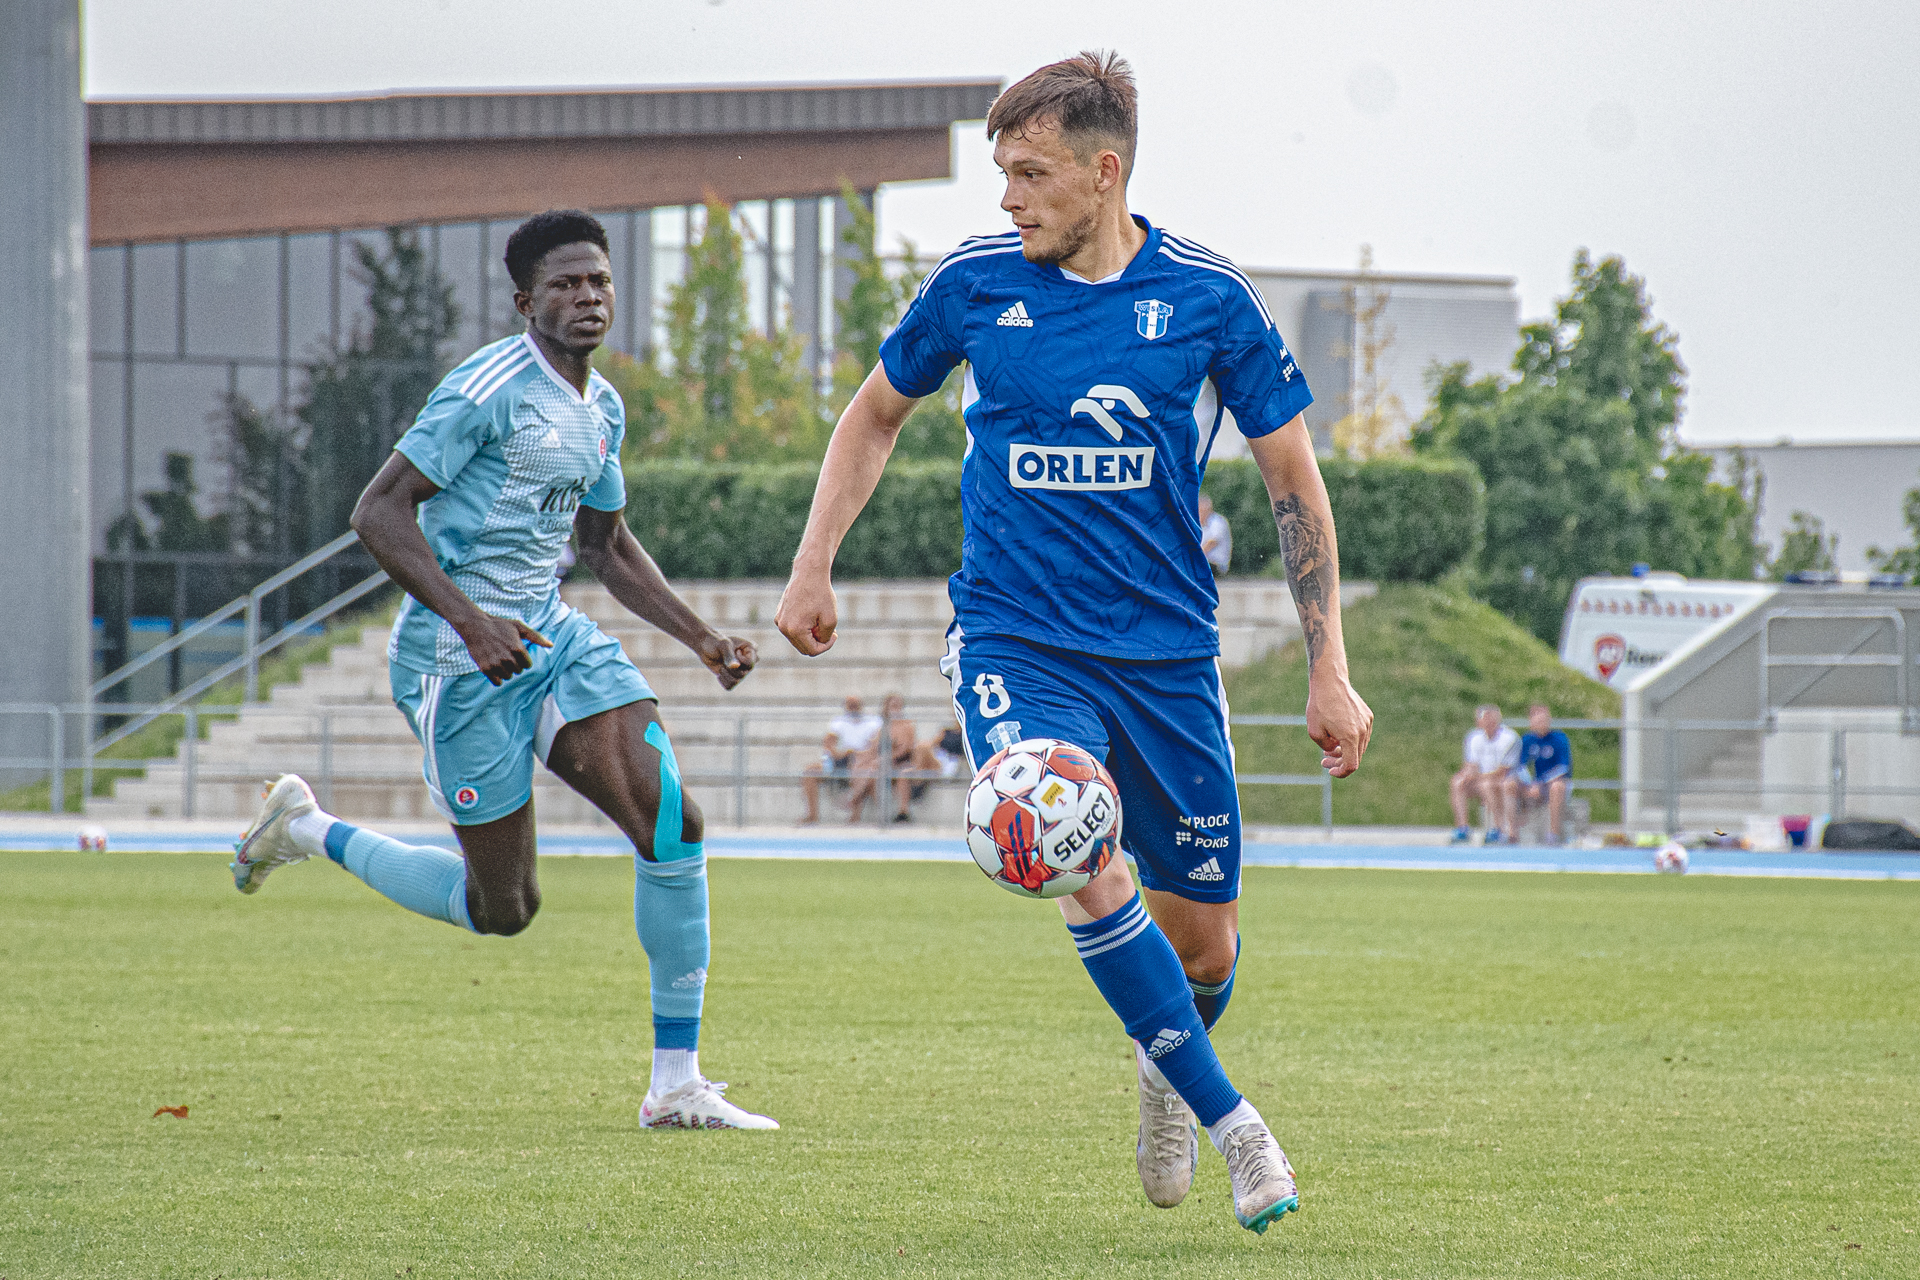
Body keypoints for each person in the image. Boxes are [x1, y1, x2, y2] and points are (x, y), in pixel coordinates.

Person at [774, 51, 1372, 1234]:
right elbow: (875, 413)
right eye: (1001, 172)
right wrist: (812, 559)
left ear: (1105, 173)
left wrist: (1330, 666)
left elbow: (1292, 481)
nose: (1009, 198)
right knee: (1067, 839)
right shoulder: (973, 283)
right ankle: (1237, 1126)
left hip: (1166, 655)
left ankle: (1167, 1062)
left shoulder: (1209, 298)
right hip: (1017, 636)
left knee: (1206, 949)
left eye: (1031, 173)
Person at [227, 209, 777, 1132]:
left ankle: (677, 1084)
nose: (588, 297)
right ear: (527, 302)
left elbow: (604, 545)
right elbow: (378, 512)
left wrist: (702, 638)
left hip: (552, 637)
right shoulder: (485, 390)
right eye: (565, 285)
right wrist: (472, 621)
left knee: (673, 823)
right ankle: (306, 828)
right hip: (457, 661)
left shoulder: (602, 408)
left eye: (599, 281)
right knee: (504, 909)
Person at [800, 694, 883, 824]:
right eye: (850, 704)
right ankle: (812, 815)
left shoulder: (873, 722)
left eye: (855, 704)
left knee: (860, 766)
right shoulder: (839, 721)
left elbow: (876, 746)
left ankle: (855, 816)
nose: (853, 707)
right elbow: (828, 744)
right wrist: (840, 754)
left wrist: (857, 755)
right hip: (842, 758)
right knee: (810, 771)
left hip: (864, 760)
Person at [1450, 704, 1519, 845]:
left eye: (1490, 718)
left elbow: (1503, 771)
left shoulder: (1509, 738)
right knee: (1457, 782)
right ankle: (1463, 828)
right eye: (1484, 718)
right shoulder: (1473, 737)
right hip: (1482, 778)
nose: (1487, 722)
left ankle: (1498, 829)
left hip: (1507, 779)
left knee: (1486, 785)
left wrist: (1478, 777)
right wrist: (1466, 774)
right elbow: (1471, 764)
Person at [1505, 704, 1573, 845]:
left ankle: (1553, 834)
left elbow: (1563, 768)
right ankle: (1512, 833)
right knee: (1509, 784)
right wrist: (1529, 784)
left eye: (1544, 720)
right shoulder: (1527, 740)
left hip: (1551, 783)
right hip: (1533, 784)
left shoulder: (1559, 738)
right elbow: (1520, 766)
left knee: (1557, 787)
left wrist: (1540, 783)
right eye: (1537, 720)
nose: (1541, 723)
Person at [846, 693, 918, 823]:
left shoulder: (907, 726)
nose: (895, 709)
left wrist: (885, 758)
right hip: (884, 764)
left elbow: (905, 749)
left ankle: (854, 799)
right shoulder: (883, 727)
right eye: (892, 706)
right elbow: (873, 747)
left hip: (901, 763)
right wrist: (861, 756)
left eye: (897, 706)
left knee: (874, 768)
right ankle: (859, 810)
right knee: (862, 766)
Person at [1198, 493, 1232, 575]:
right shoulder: (1198, 524)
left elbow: (1212, 543)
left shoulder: (1218, 522)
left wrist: (1195, 556)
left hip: (1217, 564)